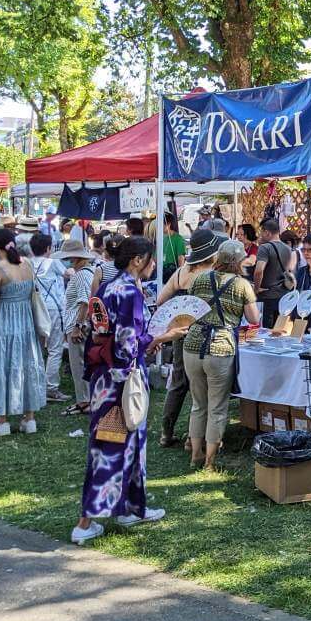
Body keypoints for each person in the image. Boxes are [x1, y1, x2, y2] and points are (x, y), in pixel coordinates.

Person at [73, 236, 185, 544]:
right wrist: (164, 336)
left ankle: (131, 507)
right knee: (109, 446)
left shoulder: (109, 287)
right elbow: (128, 342)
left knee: (130, 444)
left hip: (107, 381)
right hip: (119, 384)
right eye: (149, 260)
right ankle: (85, 522)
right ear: (137, 260)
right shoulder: (128, 292)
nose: (151, 265)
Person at [183, 240, 260, 470]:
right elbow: (254, 318)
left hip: (193, 344)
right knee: (217, 406)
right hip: (220, 347)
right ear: (238, 261)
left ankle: (195, 454)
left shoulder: (199, 279)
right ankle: (209, 462)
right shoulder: (242, 285)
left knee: (198, 404)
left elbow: (190, 305)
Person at [155, 229, 225, 448]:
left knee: (178, 383)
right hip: (206, 336)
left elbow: (160, 301)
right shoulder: (213, 275)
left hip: (181, 333)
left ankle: (166, 432)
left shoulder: (180, 273)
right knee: (202, 386)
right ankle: (194, 438)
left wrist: (176, 319)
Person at [0, 229, 46, 436]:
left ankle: (3, 421)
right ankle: (30, 419)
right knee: (27, 366)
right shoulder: (27, 264)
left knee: (4, 366)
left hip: (5, 325)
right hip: (26, 323)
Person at [53, 240, 96, 416]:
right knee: (81, 364)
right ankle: (85, 400)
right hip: (79, 324)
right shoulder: (87, 273)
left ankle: (85, 401)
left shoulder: (81, 275)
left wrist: (78, 326)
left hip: (78, 326)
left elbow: (85, 302)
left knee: (79, 365)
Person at [30, 233, 70, 402]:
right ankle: (51, 388)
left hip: (34, 307)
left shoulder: (27, 263)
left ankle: (35, 386)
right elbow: (69, 273)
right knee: (55, 349)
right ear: (48, 248)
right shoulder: (53, 262)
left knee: (36, 350)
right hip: (53, 309)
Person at [253, 218, 295, 327]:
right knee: (280, 330)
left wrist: (256, 288)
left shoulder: (265, 248)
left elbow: (259, 270)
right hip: (283, 295)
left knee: (266, 332)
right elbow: (289, 269)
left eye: (261, 232)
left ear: (267, 232)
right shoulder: (287, 248)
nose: (260, 235)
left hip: (267, 296)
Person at [162, 212, 187, 283]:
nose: (158, 227)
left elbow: (181, 261)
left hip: (172, 276)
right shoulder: (163, 238)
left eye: (161, 224)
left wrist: (179, 278)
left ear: (168, 224)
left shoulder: (178, 239)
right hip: (162, 274)